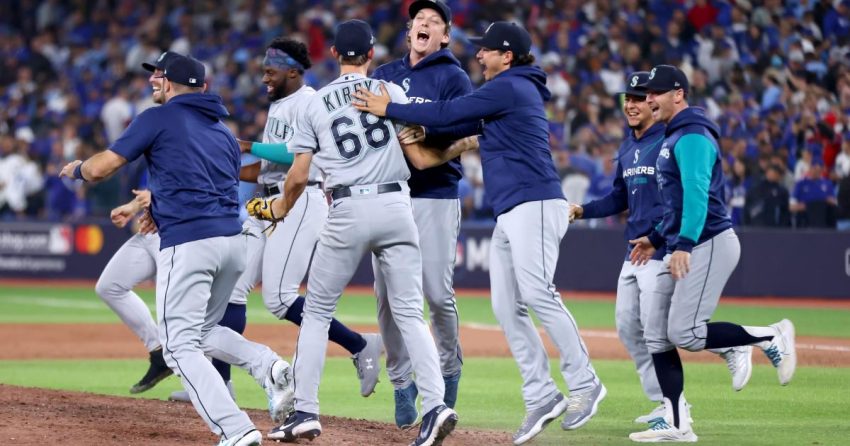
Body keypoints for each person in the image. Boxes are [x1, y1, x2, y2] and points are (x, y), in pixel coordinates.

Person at [354, 21, 604, 446]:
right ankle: (541, 394)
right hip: (510, 210)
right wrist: (426, 141)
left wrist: (391, 109)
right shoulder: (507, 92)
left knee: (539, 293)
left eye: (486, 50)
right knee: (507, 307)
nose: (479, 55)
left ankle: (585, 382)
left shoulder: (509, 86)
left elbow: (450, 113)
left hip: (536, 202)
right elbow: (463, 136)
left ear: (507, 56)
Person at [60, 54, 293, 446]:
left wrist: (80, 167)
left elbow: (103, 167)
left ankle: (236, 430)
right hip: (232, 243)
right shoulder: (221, 129)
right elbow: (211, 179)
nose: (153, 79)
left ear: (171, 82)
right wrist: (158, 206)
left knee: (178, 346)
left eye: (158, 74)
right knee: (202, 332)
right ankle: (268, 365)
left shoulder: (157, 118)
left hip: (190, 243)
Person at [248, 20, 458, 446]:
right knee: (409, 313)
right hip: (397, 204)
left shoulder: (316, 103)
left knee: (318, 312)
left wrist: (280, 208)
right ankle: (435, 406)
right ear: (372, 54)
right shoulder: (391, 93)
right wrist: (460, 145)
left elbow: (298, 174)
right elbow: (419, 159)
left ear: (334, 56)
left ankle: (305, 410)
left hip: (347, 207)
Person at [168, 37, 384, 404]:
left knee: (281, 299)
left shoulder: (309, 102)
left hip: (300, 199)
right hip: (264, 203)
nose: (264, 77)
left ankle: (360, 344)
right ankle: (220, 386)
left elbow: (294, 154)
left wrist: (248, 145)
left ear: (294, 71)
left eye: (271, 71)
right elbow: (267, 169)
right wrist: (222, 168)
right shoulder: (280, 103)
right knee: (229, 292)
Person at [569, 71, 752, 425]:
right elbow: (618, 197)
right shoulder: (628, 146)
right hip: (633, 251)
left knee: (659, 332)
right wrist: (583, 211)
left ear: (657, 104)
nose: (633, 104)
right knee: (627, 328)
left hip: (659, 248)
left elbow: (681, 198)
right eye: (630, 98)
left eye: (641, 98)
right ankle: (662, 402)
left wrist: (659, 238)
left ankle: (675, 409)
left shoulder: (669, 142)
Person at [628, 65, 797, 442]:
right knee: (657, 334)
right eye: (648, 93)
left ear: (679, 94)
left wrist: (684, 243)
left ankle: (769, 337)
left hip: (708, 241)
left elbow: (697, 193)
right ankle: (677, 425)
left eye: (656, 92)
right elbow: (674, 203)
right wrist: (656, 238)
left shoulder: (692, 135)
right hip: (681, 241)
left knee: (684, 333)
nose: (649, 98)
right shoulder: (675, 135)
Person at [370, 0, 473, 428]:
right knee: (387, 299)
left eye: (434, 21)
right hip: (389, 194)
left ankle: (448, 367)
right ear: (409, 30)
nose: (424, 24)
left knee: (435, 293)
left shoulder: (454, 77)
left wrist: (426, 132)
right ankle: (400, 382)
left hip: (434, 193)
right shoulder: (385, 76)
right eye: (419, 20)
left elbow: (468, 132)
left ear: (445, 36)